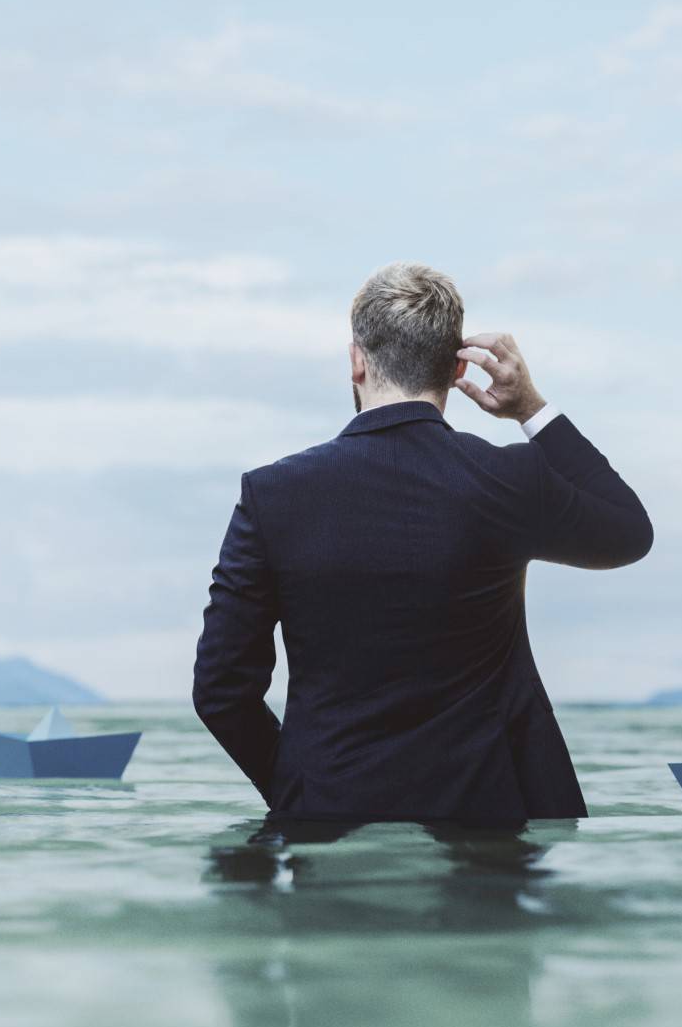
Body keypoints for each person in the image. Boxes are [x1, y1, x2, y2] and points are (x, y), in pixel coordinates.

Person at [191, 262, 650, 822]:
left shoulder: (273, 495)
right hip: (490, 820)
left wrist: (298, 787)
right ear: (458, 367)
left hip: (331, 819)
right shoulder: (509, 480)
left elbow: (220, 689)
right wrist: (531, 408)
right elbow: (630, 532)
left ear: (357, 359)